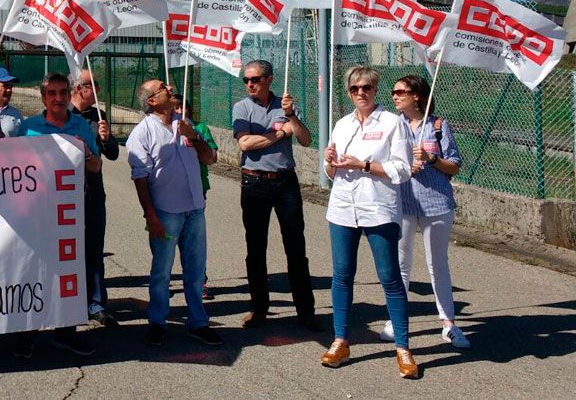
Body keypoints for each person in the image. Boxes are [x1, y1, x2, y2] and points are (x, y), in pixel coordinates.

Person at [321, 66, 419, 379]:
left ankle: (403, 347)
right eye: (354, 89)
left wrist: (363, 164)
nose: (360, 93)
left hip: (378, 208)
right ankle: (340, 341)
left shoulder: (392, 123)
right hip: (343, 208)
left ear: (375, 90)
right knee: (342, 276)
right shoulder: (342, 124)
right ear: (349, 92)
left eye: (366, 87)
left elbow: (403, 170)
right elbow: (331, 173)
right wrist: (330, 163)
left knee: (390, 278)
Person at [126, 79, 221, 348]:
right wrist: (150, 216)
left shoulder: (185, 124)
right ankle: (157, 322)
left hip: (194, 209)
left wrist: (193, 136)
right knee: (162, 273)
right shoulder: (142, 133)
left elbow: (210, 159)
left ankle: (198, 322)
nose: (169, 88)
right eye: (161, 88)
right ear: (151, 101)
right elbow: (140, 178)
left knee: (195, 271)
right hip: (166, 213)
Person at [15, 73, 99, 357]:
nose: (58, 98)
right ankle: (27, 334)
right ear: (43, 97)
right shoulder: (27, 128)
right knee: (32, 270)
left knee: (70, 271)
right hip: (35, 212)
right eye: (52, 93)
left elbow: (96, 167)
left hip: (70, 212)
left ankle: (66, 332)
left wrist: (86, 153)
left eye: (63, 92)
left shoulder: (81, 126)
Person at [231, 60, 318, 330]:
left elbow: (305, 139)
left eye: (254, 79)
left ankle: (306, 312)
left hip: (285, 183)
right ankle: (259, 309)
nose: (249, 84)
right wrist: (281, 132)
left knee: (295, 246)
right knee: (255, 248)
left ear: (269, 79)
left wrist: (291, 116)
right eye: (246, 80)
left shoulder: (286, 105)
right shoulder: (241, 107)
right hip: (254, 182)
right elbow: (246, 143)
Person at [383, 74, 469, 348]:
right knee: (401, 264)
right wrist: (408, 165)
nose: (395, 96)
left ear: (417, 96)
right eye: (394, 92)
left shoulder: (439, 126)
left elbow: (454, 165)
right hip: (404, 203)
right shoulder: (393, 126)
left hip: (436, 205)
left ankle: (449, 324)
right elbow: (385, 161)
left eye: (401, 92)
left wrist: (431, 159)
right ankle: (395, 320)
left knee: (438, 264)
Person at [70, 69, 119, 325]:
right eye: (93, 85)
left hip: (93, 192)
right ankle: (70, 302)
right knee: (67, 249)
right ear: (79, 88)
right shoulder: (63, 115)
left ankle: (97, 303)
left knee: (94, 247)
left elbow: (112, 155)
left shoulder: (98, 117)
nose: (98, 90)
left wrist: (107, 137)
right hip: (63, 193)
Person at [172, 92, 217, 302]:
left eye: (182, 107)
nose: (179, 111)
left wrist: (192, 135)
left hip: (198, 190)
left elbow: (211, 158)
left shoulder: (200, 128)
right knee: (169, 239)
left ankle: (201, 281)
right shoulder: (164, 129)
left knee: (195, 240)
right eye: (175, 108)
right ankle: (166, 280)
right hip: (171, 192)